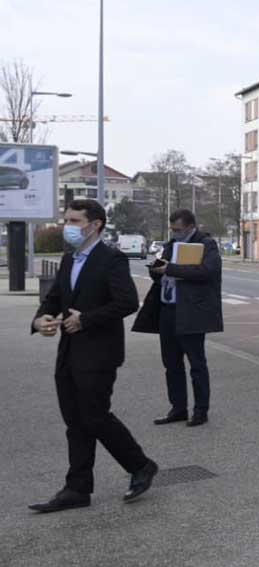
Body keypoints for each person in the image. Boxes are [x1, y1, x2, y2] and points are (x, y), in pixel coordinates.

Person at [28, 199, 159, 512]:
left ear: (95, 224)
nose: (67, 227)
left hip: (99, 354)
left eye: (74, 221)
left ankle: (140, 465)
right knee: (75, 421)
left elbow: (127, 302)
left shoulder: (111, 259)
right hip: (69, 352)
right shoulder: (69, 258)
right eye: (66, 220)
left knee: (95, 416)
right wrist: (39, 319)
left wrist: (85, 319)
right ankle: (77, 489)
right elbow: (55, 297)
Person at [133, 209, 224, 427]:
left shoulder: (206, 244)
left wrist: (171, 269)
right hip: (167, 309)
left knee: (196, 364)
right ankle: (178, 408)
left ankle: (201, 411)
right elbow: (160, 271)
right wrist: (156, 270)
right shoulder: (171, 244)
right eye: (173, 230)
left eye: (179, 230)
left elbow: (208, 271)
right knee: (171, 364)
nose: (175, 234)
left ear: (191, 227)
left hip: (191, 312)